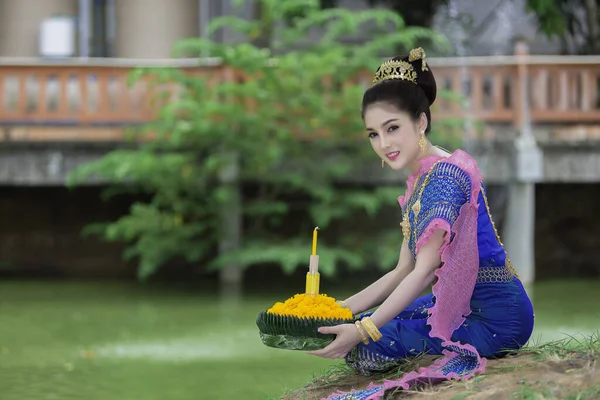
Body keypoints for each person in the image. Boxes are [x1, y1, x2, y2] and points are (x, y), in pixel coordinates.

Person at [307, 48, 535, 400]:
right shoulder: (421, 178)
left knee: (364, 347)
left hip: (496, 319)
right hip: (460, 305)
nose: (383, 144)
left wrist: (363, 331)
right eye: (373, 134)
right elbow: (402, 270)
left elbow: (424, 273)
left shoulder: (445, 178)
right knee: (352, 324)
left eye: (392, 128)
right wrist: (335, 309)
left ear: (421, 122)